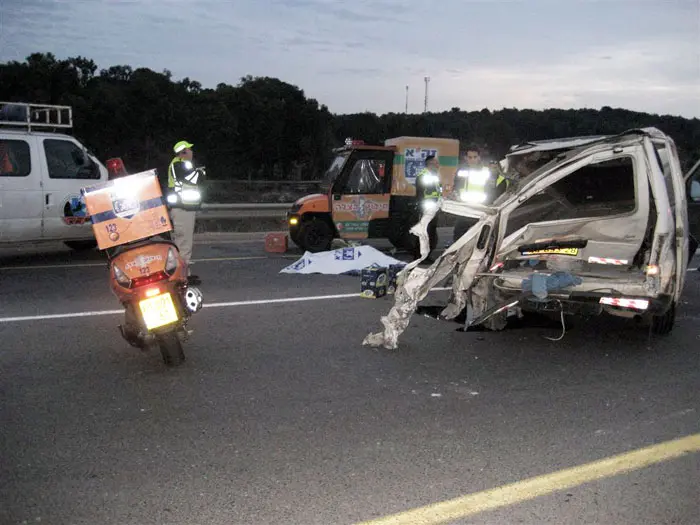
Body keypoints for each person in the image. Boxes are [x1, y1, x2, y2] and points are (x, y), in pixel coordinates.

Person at [167, 140, 204, 283]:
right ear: (183, 152)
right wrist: (200, 172)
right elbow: (198, 178)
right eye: (189, 149)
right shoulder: (179, 164)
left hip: (184, 208)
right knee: (184, 243)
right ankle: (182, 277)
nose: (192, 152)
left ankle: (182, 273)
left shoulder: (180, 164)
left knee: (181, 242)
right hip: (183, 209)